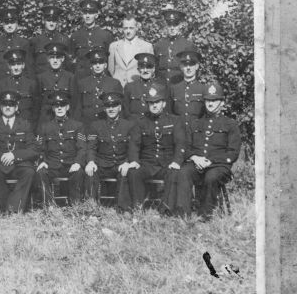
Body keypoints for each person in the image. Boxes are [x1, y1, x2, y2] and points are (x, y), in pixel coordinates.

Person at [176, 82, 241, 217]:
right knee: (183, 172)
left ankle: (204, 215)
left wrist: (211, 161)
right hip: (197, 163)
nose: (210, 103)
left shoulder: (230, 124)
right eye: (207, 100)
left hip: (219, 165)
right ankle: (183, 214)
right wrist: (194, 157)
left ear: (222, 103)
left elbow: (233, 153)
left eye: (214, 100)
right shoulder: (195, 123)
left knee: (211, 177)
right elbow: (186, 146)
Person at [126, 83, 187, 212]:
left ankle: (166, 210)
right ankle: (137, 208)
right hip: (147, 164)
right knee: (133, 172)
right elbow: (134, 144)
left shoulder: (174, 121)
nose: (154, 105)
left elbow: (180, 143)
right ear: (147, 104)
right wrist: (134, 161)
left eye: (157, 102)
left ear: (164, 103)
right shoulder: (140, 122)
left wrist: (176, 162)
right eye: (151, 102)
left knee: (174, 173)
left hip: (167, 163)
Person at [0, 90, 38, 214]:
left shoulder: (25, 125)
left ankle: (11, 209)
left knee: (29, 172)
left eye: (11, 104)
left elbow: (33, 149)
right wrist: (1, 156)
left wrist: (14, 155)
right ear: (1, 107)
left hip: (19, 164)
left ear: (16, 107)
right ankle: (9, 208)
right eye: (5, 104)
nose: (8, 107)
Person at [84, 91, 136, 211]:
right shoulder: (96, 125)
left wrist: (128, 162)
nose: (111, 109)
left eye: (114, 106)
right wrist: (91, 161)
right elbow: (91, 146)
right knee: (90, 172)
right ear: (104, 109)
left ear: (120, 107)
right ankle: (92, 209)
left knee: (126, 172)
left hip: (120, 163)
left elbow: (133, 148)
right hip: (103, 164)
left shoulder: (129, 125)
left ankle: (123, 209)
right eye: (108, 106)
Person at [35, 91, 86, 205]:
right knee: (41, 172)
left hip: (70, 164)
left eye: (62, 105)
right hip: (52, 165)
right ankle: (48, 206)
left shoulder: (77, 126)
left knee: (78, 172)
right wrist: (42, 161)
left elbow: (82, 148)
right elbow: (40, 148)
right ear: (53, 108)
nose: (59, 108)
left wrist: (77, 163)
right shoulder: (45, 127)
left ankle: (75, 205)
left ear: (67, 107)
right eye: (56, 106)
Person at [72, 49, 123, 126]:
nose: (98, 66)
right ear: (91, 65)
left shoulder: (114, 83)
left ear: (105, 65)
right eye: (95, 63)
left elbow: (120, 108)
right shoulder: (83, 83)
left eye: (101, 63)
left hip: (106, 123)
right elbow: (78, 107)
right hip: (87, 123)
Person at [0, 48, 40, 129]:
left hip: (27, 124)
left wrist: (33, 127)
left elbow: (36, 109)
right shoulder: (1, 84)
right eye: (13, 64)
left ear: (23, 65)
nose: (16, 67)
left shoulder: (32, 84)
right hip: (7, 126)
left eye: (19, 64)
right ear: (9, 66)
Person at [0, 5, 32, 86]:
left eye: (12, 22)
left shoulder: (24, 43)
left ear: (17, 24)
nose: (9, 25)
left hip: (18, 85)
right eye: (7, 23)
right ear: (3, 24)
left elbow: (28, 69)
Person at [69, 0, 114, 79]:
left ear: (96, 15)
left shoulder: (106, 35)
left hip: (100, 78)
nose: (87, 16)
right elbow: (71, 60)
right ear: (82, 15)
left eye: (91, 13)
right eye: (85, 13)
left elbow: (109, 61)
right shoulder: (75, 36)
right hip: (81, 78)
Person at [154, 4, 196, 84]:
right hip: (162, 89)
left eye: (175, 24)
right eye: (169, 25)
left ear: (180, 25)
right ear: (166, 25)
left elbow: (193, 72)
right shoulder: (158, 45)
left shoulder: (188, 45)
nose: (172, 28)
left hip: (180, 88)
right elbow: (155, 69)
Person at [107, 15, 154, 86]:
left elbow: (151, 70)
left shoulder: (146, 46)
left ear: (137, 28)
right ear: (122, 29)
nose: (128, 31)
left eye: (131, 28)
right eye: (126, 28)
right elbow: (111, 69)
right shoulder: (114, 46)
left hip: (137, 87)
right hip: (118, 87)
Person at [36, 42, 77, 124]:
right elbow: (38, 103)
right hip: (46, 119)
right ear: (48, 59)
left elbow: (74, 102)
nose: (55, 60)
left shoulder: (70, 77)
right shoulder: (41, 77)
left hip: (65, 118)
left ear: (63, 59)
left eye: (58, 57)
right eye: (52, 57)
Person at [123, 52, 169, 120]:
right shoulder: (130, 87)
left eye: (148, 67)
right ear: (138, 69)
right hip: (134, 124)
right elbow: (125, 111)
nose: (145, 70)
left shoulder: (161, 86)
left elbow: (166, 110)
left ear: (153, 69)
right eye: (142, 67)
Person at [170, 49, 208, 128]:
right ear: (181, 67)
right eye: (185, 65)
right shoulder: (174, 89)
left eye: (191, 64)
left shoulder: (203, 89)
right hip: (179, 133)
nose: (188, 68)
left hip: (197, 132)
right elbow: (170, 114)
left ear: (197, 66)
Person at [30, 5, 72, 75]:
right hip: (41, 82)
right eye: (48, 20)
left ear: (57, 22)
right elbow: (30, 66)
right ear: (43, 21)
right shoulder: (35, 41)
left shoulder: (64, 40)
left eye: (54, 21)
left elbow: (68, 66)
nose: (51, 23)